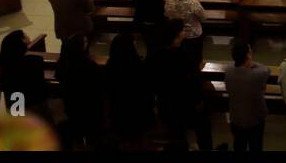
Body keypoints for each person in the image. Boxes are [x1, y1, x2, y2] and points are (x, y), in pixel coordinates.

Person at [149, 18, 211, 151]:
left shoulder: (155, 54)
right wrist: (199, 101)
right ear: (177, 34)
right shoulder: (186, 55)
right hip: (187, 103)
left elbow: (152, 81)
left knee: (177, 135)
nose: (185, 32)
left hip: (166, 103)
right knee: (203, 129)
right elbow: (194, 81)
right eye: (183, 30)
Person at [55, 33, 105, 148]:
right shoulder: (89, 65)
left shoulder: (63, 64)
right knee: (90, 132)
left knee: (76, 127)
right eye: (85, 43)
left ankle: (78, 143)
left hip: (71, 104)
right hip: (89, 105)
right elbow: (99, 83)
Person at [106, 34, 154, 147]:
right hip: (136, 109)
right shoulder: (137, 65)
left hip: (118, 109)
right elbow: (146, 89)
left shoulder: (111, 65)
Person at [0, 31, 52, 124]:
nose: (28, 35)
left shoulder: (4, 65)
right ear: (22, 41)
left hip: (16, 102)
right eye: (25, 35)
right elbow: (39, 83)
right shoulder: (34, 61)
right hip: (34, 102)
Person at [225, 40, 270, 151]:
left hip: (236, 118)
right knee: (256, 146)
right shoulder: (256, 74)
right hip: (255, 119)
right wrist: (252, 63)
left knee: (239, 145)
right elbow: (267, 70)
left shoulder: (229, 71)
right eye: (250, 51)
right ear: (247, 55)